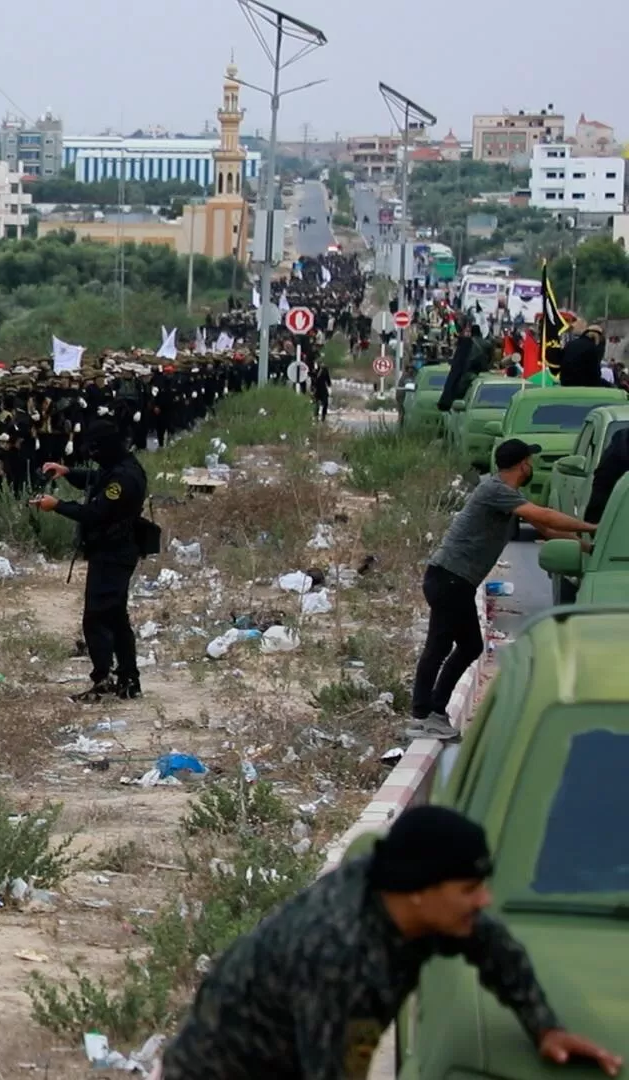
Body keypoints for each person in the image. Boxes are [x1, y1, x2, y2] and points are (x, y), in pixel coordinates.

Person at [157, 805, 620, 1080]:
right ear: (419, 891)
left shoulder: (406, 900)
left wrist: (545, 1027)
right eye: (468, 889)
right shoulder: (341, 956)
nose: (484, 900)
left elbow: (494, 946)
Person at [407, 440, 596, 741]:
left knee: (460, 646)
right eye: (531, 461)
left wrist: (589, 547)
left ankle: (430, 713)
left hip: (453, 580)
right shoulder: (495, 491)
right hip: (449, 578)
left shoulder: (507, 495)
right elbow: (545, 516)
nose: (532, 467)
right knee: (444, 646)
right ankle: (424, 715)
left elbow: (547, 530)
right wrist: (593, 527)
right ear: (523, 464)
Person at [34, 419, 149, 702]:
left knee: (97, 617)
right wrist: (67, 472)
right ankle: (128, 679)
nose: (93, 456)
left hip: (114, 553)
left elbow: (96, 513)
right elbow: (95, 478)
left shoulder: (123, 479)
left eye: (96, 450)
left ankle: (103, 680)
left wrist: (57, 506)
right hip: (113, 551)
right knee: (116, 617)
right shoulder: (119, 468)